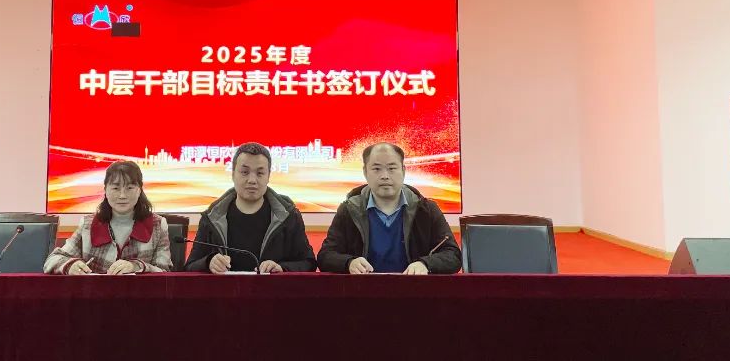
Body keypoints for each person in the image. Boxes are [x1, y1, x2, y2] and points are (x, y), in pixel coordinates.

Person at [317, 142, 461, 274]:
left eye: (392, 168)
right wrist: (349, 263)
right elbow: (325, 256)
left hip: (415, 290)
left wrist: (425, 264)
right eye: (376, 169)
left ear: (403, 171)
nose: (385, 176)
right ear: (365, 172)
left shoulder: (426, 210)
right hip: (361, 290)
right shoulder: (349, 209)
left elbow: (453, 255)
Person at [184, 142, 316, 274]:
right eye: (245, 172)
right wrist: (208, 262)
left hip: (273, 287)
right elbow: (190, 266)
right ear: (233, 175)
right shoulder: (212, 217)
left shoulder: (289, 216)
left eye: (260, 173)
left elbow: (308, 263)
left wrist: (282, 268)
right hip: (225, 287)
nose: (252, 180)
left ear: (268, 176)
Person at [44, 160, 172, 275]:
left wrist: (136, 266)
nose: (122, 195)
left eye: (129, 188)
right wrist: (70, 265)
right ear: (105, 190)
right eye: (116, 188)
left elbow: (164, 271)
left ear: (139, 190)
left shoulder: (157, 225)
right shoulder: (88, 224)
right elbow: (53, 259)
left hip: (140, 293)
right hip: (95, 293)